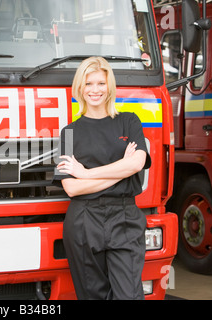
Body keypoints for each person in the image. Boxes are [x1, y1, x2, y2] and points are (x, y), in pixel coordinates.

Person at [54, 56, 151, 300]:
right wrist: (122, 169)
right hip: (84, 220)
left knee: (129, 295)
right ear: (80, 88)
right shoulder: (68, 133)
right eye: (88, 84)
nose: (95, 90)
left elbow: (138, 162)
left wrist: (86, 173)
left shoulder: (129, 121)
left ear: (110, 87)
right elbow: (72, 189)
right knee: (92, 296)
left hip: (125, 218)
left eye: (100, 83)